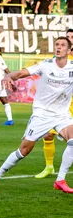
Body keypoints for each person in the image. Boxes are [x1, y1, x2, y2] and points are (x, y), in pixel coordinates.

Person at [0, 36, 73, 194]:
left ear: (69, 50)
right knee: (23, 151)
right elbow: (21, 73)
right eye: (57, 44)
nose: (58, 47)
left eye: (62, 45)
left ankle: (60, 179)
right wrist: (8, 76)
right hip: (42, 114)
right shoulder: (45, 65)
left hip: (61, 114)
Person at [35, 29, 73, 179]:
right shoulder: (58, 58)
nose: (70, 38)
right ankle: (49, 166)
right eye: (68, 36)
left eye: (71, 37)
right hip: (60, 104)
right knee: (48, 134)